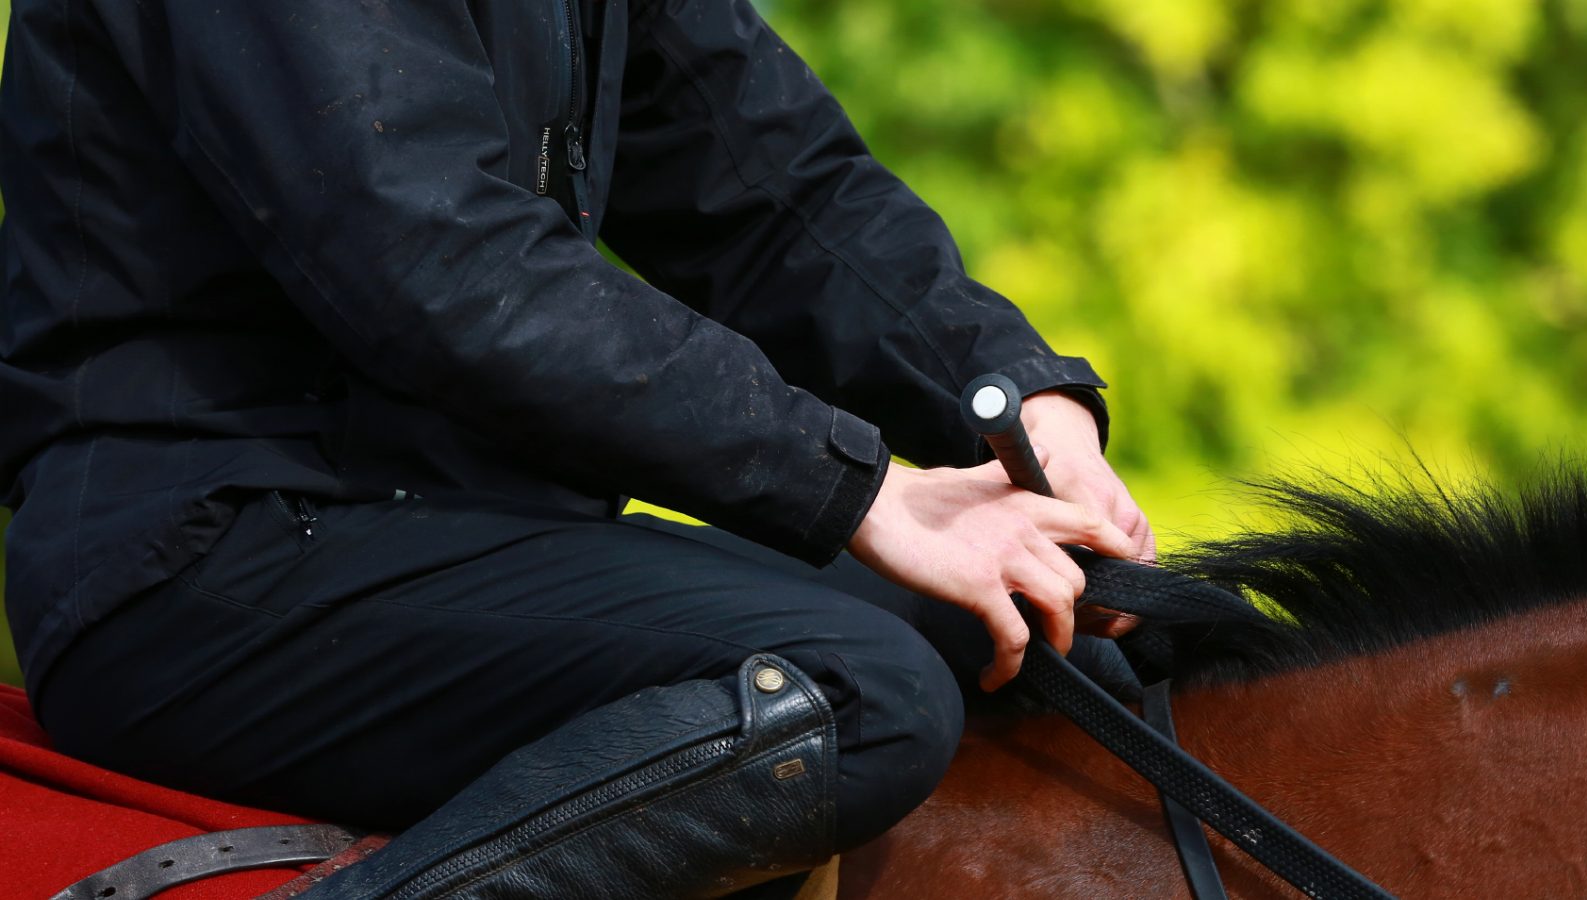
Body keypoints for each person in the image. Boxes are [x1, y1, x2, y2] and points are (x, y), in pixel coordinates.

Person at [0, 0, 1154, 895]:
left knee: (1046, 642)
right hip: (210, 558)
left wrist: (1017, 408)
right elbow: (436, 262)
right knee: (855, 698)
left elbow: (771, 187)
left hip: (474, 534)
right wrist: (863, 494)